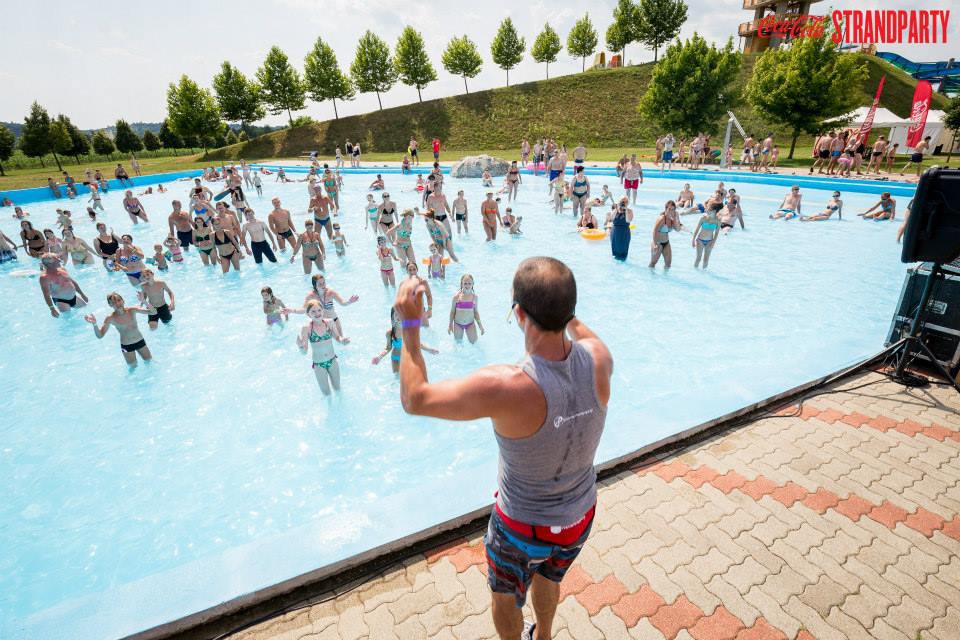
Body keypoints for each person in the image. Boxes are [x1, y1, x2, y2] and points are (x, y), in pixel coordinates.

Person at [394, 257, 611, 640]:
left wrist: (410, 326)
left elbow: (416, 399)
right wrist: (563, 308)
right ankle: (543, 635)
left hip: (521, 529)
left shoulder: (507, 386)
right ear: (570, 310)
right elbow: (579, 330)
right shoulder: (599, 358)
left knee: (506, 598)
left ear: (519, 314)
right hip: (579, 517)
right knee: (550, 576)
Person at [85, 292, 152, 367]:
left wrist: (144, 301)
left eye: (119, 300)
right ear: (110, 305)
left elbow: (153, 312)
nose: (117, 303)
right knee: (133, 367)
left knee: (149, 362)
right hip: (126, 346)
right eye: (113, 303)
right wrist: (94, 324)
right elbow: (100, 335)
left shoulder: (132, 310)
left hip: (140, 341)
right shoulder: (110, 318)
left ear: (123, 301)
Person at [297, 300, 349, 395]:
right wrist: (300, 346)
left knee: (338, 389)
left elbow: (337, 337)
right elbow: (304, 352)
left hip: (332, 361)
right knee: (326, 394)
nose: (317, 313)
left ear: (323, 311)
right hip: (319, 365)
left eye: (319, 310)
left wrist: (343, 341)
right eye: (313, 311)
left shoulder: (329, 323)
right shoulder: (307, 328)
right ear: (308, 314)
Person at [372, 308, 438, 374]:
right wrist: (379, 357)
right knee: (397, 377)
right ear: (393, 317)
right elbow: (388, 348)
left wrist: (429, 349)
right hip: (395, 358)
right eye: (396, 315)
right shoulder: (390, 333)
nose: (398, 317)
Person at [303, 274, 358, 338]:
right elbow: (303, 309)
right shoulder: (311, 296)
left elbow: (342, 303)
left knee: (341, 340)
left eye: (324, 283)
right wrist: (294, 310)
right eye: (320, 284)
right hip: (321, 324)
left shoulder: (331, 293)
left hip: (334, 320)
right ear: (315, 285)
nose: (323, 285)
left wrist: (350, 301)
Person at [449, 274, 484, 343]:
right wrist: (450, 324)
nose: (467, 285)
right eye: (465, 283)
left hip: (470, 324)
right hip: (458, 324)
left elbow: (476, 312)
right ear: (461, 284)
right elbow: (452, 311)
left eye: (469, 283)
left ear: (473, 284)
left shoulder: (474, 297)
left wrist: (480, 326)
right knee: (458, 344)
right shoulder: (456, 298)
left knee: (475, 344)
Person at [650, 201, 681, 269]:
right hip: (658, 243)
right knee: (653, 263)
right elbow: (655, 231)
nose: (671, 211)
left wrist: (676, 218)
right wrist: (655, 244)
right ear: (666, 209)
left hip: (666, 243)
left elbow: (678, 229)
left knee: (668, 264)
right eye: (669, 209)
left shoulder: (673, 219)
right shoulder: (662, 218)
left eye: (673, 209)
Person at [693, 203, 722, 269]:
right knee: (698, 259)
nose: (707, 211)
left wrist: (713, 243)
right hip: (700, 240)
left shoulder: (718, 221)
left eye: (709, 209)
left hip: (709, 241)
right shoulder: (703, 218)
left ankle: (704, 274)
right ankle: (695, 272)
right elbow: (697, 229)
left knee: (706, 260)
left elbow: (716, 233)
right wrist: (693, 240)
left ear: (714, 211)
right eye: (707, 209)